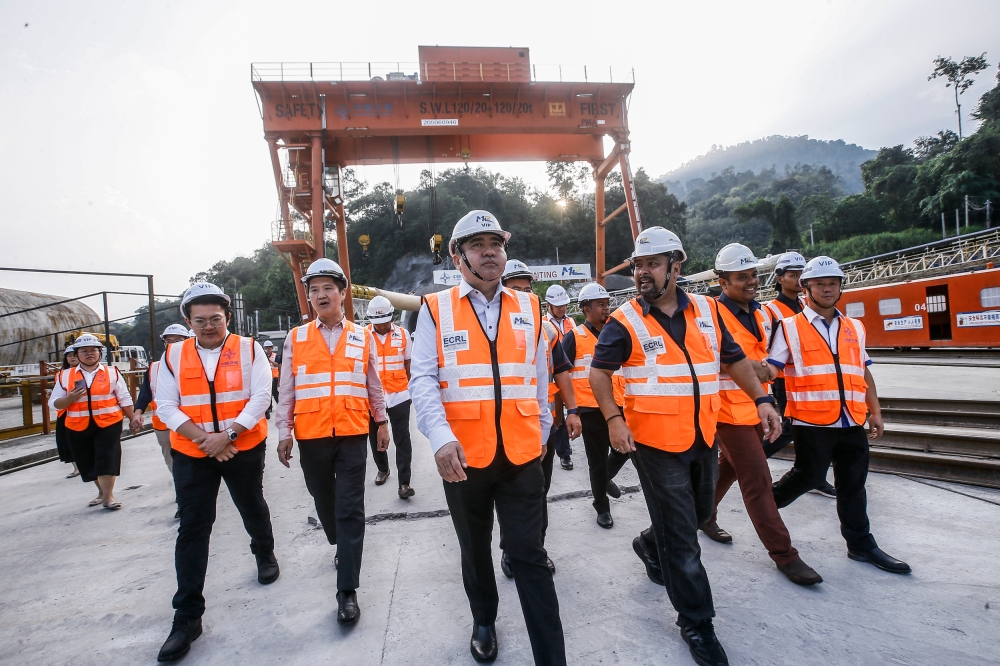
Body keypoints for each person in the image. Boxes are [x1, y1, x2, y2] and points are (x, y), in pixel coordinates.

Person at [589, 227, 781, 666]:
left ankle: (647, 543)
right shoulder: (626, 321)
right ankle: (697, 622)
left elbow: (732, 361)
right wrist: (615, 420)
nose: (641, 273)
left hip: (702, 437)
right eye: (637, 265)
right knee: (684, 542)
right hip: (654, 445)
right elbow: (599, 373)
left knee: (697, 515)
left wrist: (763, 399)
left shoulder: (709, 312)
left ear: (676, 266)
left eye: (651, 264)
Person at [412, 211, 566, 665]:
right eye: (477, 245)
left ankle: (551, 657)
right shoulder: (435, 310)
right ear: (458, 257)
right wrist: (439, 439)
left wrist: (539, 430)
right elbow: (422, 379)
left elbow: (539, 376)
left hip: (522, 456)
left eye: (495, 243)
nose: (490, 251)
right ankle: (484, 618)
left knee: (530, 555)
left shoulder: (531, 308)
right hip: (463, 458)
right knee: (475, 548)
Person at [154, 283, 277, 662]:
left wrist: (228, 435)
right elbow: (166, 405)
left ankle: (264, 552)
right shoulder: (173, 356)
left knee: (250, 503)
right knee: (193, 526)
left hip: (241, 444)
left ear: (228, 317)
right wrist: (206, 440)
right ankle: (187, 616)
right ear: (188, 321)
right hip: (193, 451)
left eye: (216, 319)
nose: (209, 326)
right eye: (200, 320)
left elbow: (261, 395)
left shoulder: (249, 348)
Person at [767, 256, 911, 575]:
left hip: (851, 421)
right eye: (820, 283)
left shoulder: (853, 327)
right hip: (812, 422)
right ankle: (764, 506)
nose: (828, 289)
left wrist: (875, 410)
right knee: (807, 475)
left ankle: (861, 544)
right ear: (806, 288)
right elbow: (771, 369)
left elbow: (862, 371)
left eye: (833, 283)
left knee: (853, 484)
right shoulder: (789, 328)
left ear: (841, 286)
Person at [698, 244, 822, 586]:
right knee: (758, 481)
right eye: (742, 277)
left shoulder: (763, 313)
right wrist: (758, 370)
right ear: (723, 282)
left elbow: (772, 357)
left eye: (753, 275)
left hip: (755, 405)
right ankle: (785, 555)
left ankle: (704, 514)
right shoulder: (709, 315)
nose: (751, 282)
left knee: (729, 468)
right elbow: (723, 360)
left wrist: (764, 375)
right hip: (725, 409)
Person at [275, 259, 390, 626]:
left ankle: (347, 592)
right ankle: (339, 542)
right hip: (312, 436)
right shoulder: (296, 337)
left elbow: (374, 383)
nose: (321, 294)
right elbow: (287, 389)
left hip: (354, 433)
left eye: (328, 288)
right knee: (324, 500)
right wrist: (283, 432)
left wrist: (382, 421)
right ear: (309, 298)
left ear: (343, 293)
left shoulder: (363, 336)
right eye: (314, 289)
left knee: (350, 508)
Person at [497, 259, 580, 579]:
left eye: (526, 290)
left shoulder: (545, 330)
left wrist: (572, 411)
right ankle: (511, 549)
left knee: (537, 491)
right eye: (514, 289)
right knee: (509, 492)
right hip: (506, 426)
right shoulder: (488, 331)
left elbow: (561, 372)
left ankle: (534, 548)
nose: (521, 296)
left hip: (540, 424)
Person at [762, 252, 836, 499]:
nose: (798, 279)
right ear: (779, 278)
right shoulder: (771, 310)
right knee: (789, 429)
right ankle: (751, 459)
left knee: (818, 428)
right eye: (793, 275)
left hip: (812, 377)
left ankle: (816, 477)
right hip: (785, 379)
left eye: (801, 275)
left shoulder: (807, 305)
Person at [560, 282, 630, 529]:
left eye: (607, 304)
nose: (606, 309)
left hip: (619, 405)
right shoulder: (574, 337)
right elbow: (562, 374)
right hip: (590, 409)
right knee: (597, 460)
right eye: (600, 305)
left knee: (628, 448)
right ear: (586, 309)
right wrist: (572, 411)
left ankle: (605, 478)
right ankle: (602, 507)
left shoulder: (616, 333)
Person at [50, 334, 137, 510]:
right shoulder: (64, 375)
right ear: (77, 354)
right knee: (87, 462)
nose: (89, 354)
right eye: (84, 351)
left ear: (100, 353)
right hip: (77, 425)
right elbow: (54, 403)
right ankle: (102, 492)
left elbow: (124, 398)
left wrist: (133, 417)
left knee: (107, 458)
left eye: (93, 350)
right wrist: (70, 398)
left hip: (108, 423)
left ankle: (108, 497)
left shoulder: (112, 372)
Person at [132, 324, 192, 518]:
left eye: (178, 340)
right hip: (164, 425)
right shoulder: (155, 367)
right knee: (173, 461)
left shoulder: (197, 363)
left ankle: (191, 496)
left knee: (193, 462)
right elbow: (145, 393)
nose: (172, 344)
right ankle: (183, 496)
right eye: (169, 340)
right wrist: (137, 412)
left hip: (192, 424)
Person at [365, 295, 416, 499]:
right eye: (377, 323)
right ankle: (383, 468)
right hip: (373, 396)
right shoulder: (363, 336)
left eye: (385, 321)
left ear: (391, 317)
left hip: (399, 394)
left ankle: (404, 483)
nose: (382, 326)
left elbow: (408, 365)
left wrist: (411, 389)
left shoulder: (403, 335)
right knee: (375, 434)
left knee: (402, 437)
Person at [543, 283, 575, 471]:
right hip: (552, 379)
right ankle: (564, 454)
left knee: (571, 413)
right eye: (558, 306)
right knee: (557, 419)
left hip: (568, 375)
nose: (562, 308)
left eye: (564, 305)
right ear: (548, 306)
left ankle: (565, 451)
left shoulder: (570, 322)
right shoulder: (543, 324)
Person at [53, 345, 82, 478]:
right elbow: (58, 392)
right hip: (64, 412)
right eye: (69, 355)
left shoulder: (84, 372)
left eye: (74, 355)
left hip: (80, 412)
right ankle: (76, 467)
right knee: (65, 441)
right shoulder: (60, 374)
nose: (72, 357)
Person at [263, 340, 279, 419]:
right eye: (266, 348)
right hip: (267, 377)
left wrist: (270, 361)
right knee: (268, 392)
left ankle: (279, 403)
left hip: (275, 376)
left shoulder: (275, 356)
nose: (267, 350)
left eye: (269, 348)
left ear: (272, 348)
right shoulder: (263, 356)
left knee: (274, 391)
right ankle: (269, 407)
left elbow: (278, 365)